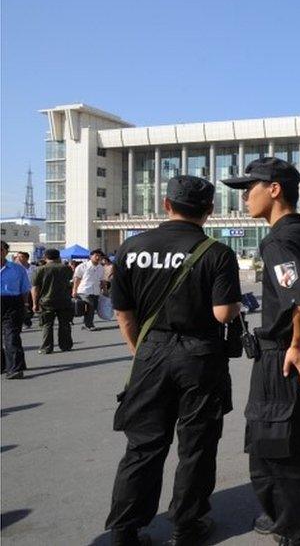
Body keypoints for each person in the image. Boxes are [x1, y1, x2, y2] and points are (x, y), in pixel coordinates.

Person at [105, 175, 242, 546]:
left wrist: (140, 350)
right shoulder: (216, 252)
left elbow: (124, 312)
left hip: (150, 352)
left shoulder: (131, 248)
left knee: (144, 443)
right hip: (199, 356)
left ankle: (124, 529)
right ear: (209, 212)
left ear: (166, 205)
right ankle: (187, 523)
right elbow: (223, 314)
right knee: (196, 444)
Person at [222, 157, 300, 546]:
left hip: (284, 357)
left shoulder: (278, 239)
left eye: (249, 188)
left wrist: (298, 344)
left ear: (273, 189)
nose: (244, 198)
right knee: (273, 445)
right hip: (299, 351)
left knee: (281, 453)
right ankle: (281, 516)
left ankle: (295, 534)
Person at [32, 248, 75, 354]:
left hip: (47, 301)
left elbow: (35, 288)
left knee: (47, 325)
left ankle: (46, 347)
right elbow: (71, 282)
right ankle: (66, 345)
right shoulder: (67, 268)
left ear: (45, 257)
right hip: (64, 300)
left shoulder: (40, 269)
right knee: (65, 324)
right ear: (58, 256)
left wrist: (34, 303)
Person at [1, 241, 31, 379]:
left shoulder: (17, 269)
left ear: (6, 252)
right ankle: (2, 365)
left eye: (1, 249)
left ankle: (15, 369)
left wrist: (25, 305)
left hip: (12, 303)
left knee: (11, 335)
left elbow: (25, 289)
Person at [73, 249, 106, 331]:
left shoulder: (101, 268)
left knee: (93, 308)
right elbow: (77, 279)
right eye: (96, 256)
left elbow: (102, 280)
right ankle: (89, 325)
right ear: (91, 256)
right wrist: (74, 290)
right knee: (90, 306)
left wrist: (105, 290)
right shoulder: (82, 266)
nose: (98, 258)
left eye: (100, 256)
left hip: (96, 291)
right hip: (84, 291)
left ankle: (86, 323)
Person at [13, 251, 34, 329]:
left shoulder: (33, 268)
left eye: (21, 257)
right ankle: (24, 321)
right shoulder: (14, 268)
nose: (19, 258)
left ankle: (28, 320)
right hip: (19, 291)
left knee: (30, 306)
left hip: (31, 291)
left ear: (27, 258)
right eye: (17, 257)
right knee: (20, 307)